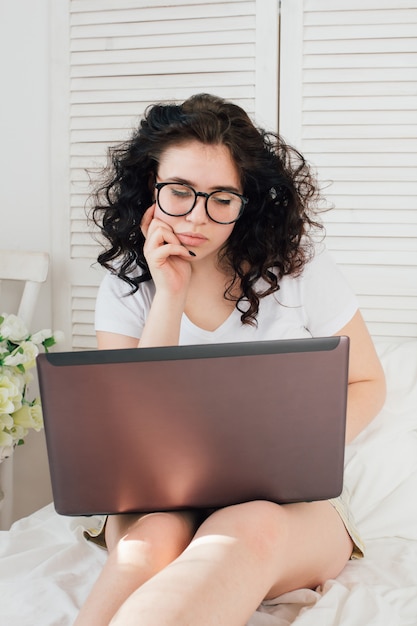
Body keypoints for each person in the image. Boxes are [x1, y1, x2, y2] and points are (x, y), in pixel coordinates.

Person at [75, 93, 386, 626]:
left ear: (250, 201)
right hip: (161, 496)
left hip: (286, 503)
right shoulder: (128, 285)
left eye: (222, 198)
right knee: (149, 543)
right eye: (180, 192)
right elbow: (133, 421)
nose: (198, 217)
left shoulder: (300, 270)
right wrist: (169, 293)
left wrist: (298, 452)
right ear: (150, 188)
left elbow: (368, 382)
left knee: (248, 530)